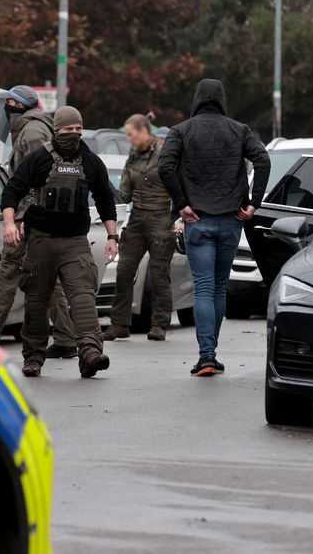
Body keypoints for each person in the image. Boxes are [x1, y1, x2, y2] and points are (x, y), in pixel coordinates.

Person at [158, 79, 270, 378]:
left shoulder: (181, 131)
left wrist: (181, 203)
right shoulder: (239, 130)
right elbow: (263, 160)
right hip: (232, 219)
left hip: (197, 219)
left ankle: (205, 355)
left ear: (196, 99)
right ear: (222, 98)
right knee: (219, 287)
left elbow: (165, 165)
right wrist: (253, 203)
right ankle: (213, 352)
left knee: (203, 288)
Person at [0, 106, 119, 378]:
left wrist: (112, 236)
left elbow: (105, 200)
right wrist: (9, 223)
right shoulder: (39, 158)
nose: (74, 134)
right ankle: (33, 357)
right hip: (40, 241)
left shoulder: (91, 161)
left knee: (83, 296)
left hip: (76, 241)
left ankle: (90, 353)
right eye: (69, 130)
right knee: (37, 300)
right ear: (56, 130)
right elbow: (12, 191)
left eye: (79, 129)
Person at [0, 85, 77, 359]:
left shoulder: (31, 133)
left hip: (29, 215)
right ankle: (66, 337)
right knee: (47, 276)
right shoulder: (31, 129)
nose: (5, 107)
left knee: (7, 271)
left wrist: (25, 217)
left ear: (17, 104)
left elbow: (40, 179)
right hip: (36, 214)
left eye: (8, 101)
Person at [104, 112, 176, 343]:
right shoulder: (133, 157)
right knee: (124, 270)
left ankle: (159, 324)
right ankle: (119, 324)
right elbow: (124, 193)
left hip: (160, 218)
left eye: (131, 134)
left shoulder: (167, 155)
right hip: (137, 219)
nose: (129, 140)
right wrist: (104, 185)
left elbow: (180, 190)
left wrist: (177, 219)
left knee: (159, 273)